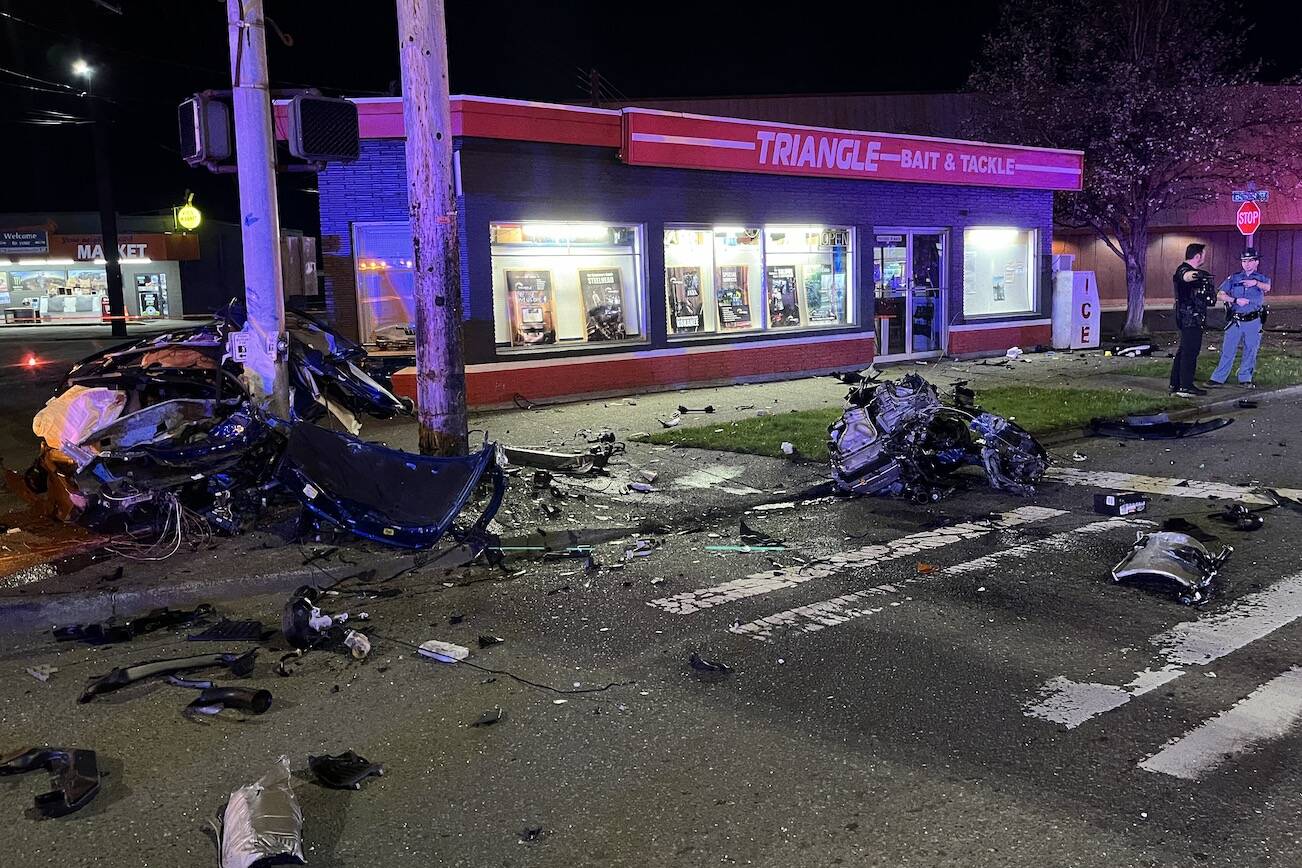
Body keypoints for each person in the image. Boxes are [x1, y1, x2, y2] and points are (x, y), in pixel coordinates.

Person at [1206, 247, 1271, 389]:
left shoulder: (1261, 278)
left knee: (1250, 350)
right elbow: (1220, 294)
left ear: (1256, 262)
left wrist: (1255, 283)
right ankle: (1218, 378)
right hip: (1235, 320)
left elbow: (1267, 287)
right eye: (1244, 261)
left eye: (1250, 261)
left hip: (1253, 320)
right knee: (1228, 350)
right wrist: (1235, 300)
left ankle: (1245, 378)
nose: (1246, 264)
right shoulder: (1234, 278)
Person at [1169, 243, 1216, 398]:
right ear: (1197, 256)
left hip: (1192, 318)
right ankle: (1185, 387)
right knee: (1190, 352)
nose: (1204, 257)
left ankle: (1176, 383)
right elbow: (1185, 276)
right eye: (1203, 254)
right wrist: (1198, 275)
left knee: (1184, 351)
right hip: (1190, 318)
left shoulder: (1190, 271)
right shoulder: (1184, 270)